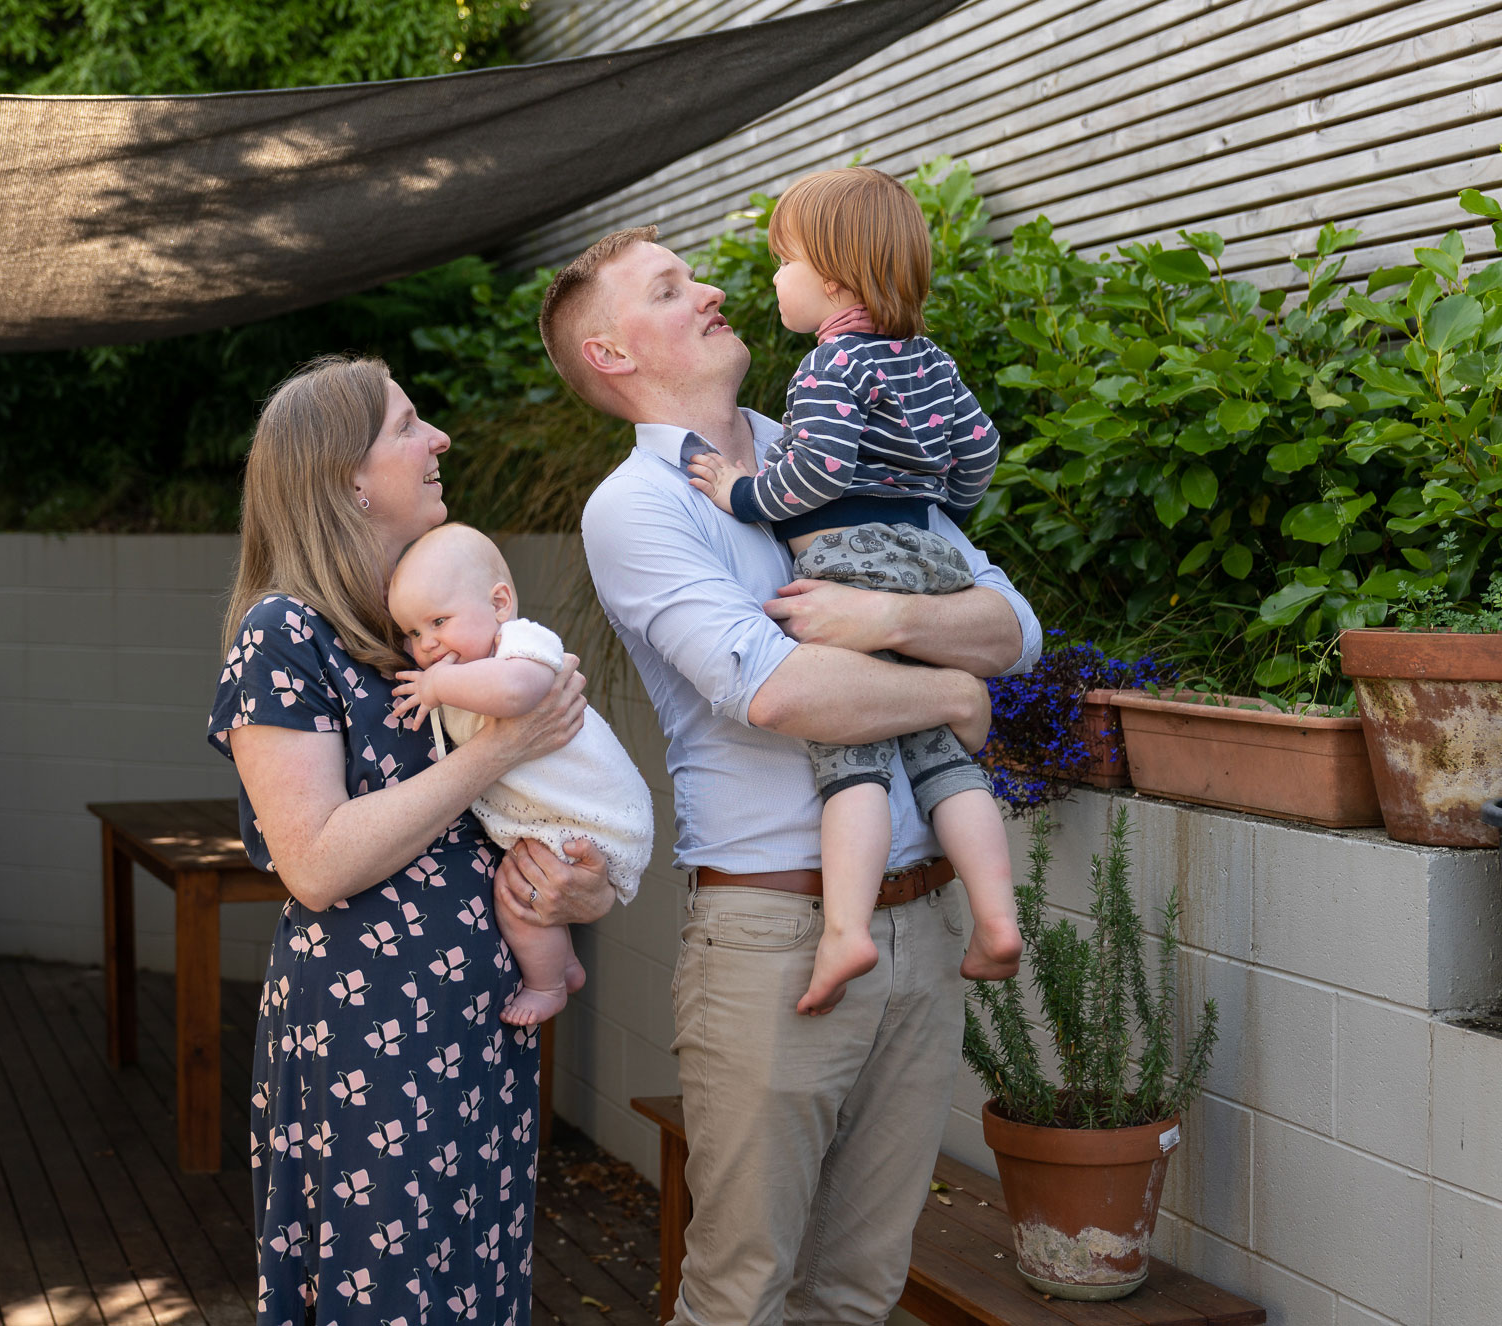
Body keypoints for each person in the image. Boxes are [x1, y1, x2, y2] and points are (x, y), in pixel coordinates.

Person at [540, 227, 1042, 1325]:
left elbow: (1013, 626)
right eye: (671, 290)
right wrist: (950, 697)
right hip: (771, 941)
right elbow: (773, 690)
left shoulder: (834, 430)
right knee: (740, 1292)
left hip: (921, 932)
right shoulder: (636, 508)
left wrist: (894, 620)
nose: (713, 288)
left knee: (860, 1291)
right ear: (613, 354)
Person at [206, 356, 617, 1326]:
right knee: (378, 1296)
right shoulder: (283, 634)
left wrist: (579, 889)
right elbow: (315, 863)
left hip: (477, 1029)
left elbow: (540, 810)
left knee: (469, 1290)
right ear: (346, 474)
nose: (437, 440)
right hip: (368, 1041)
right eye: (407, 425)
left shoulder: (431, 631)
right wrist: (503, 746)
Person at [682, 166, 1021, 1015]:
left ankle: (845, 930)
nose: (772, 280)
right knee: (940, 750)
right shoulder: (931, 359)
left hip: (847, 563)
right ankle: (997, 919)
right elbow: (980, 450)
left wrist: (740, 492)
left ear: (831, 279)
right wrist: (940, 503)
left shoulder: (831, 364)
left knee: (856, 750)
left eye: (782, 261)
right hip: (927, 555)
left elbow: (820, 467)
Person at [386, 522, 654, 1027]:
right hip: (556, 822)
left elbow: (517, 693)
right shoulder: (462, 674)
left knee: (520, 900)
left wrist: (440, 683)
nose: (425, 644)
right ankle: (564, 964)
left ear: (500, 604)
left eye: (439, 621)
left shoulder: (520, 644)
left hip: (595, 817)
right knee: (520, 894)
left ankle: (547, 984)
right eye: (413, 632)